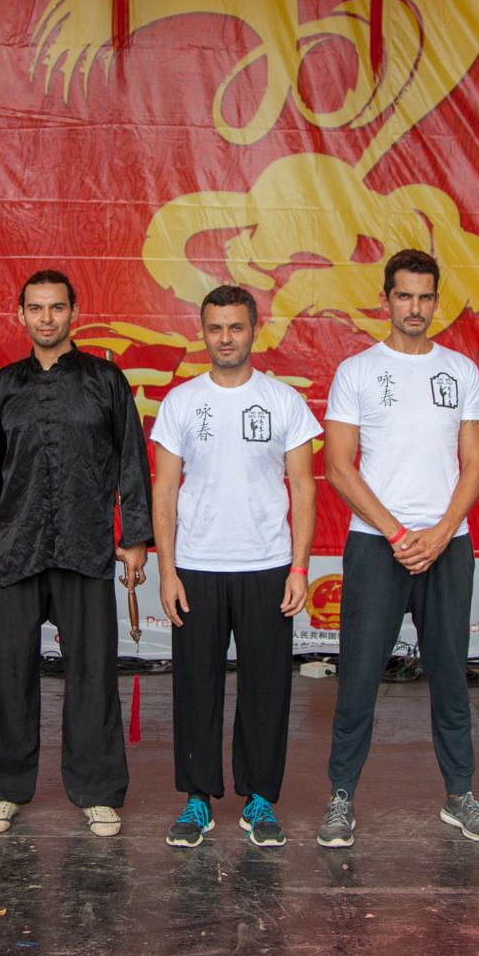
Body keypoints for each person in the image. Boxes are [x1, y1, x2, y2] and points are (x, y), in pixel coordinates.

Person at [0, 270, 152, 837]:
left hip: (85, 544)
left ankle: (98, 791)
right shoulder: (6, 385)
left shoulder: (105, 381)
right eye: (36, 308)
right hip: (16, 544)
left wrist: (135, 538)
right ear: (20, 314)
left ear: (74, 312)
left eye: (57, 307)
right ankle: (2, 789)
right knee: (8, 673)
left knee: (92, 672)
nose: (47, 318)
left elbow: (132, 461)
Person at [317, 249, 479, 848]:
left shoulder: (461, 370)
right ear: (385, 300)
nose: (414, 308)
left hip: (448, 546)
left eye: (424, 297)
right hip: (377, 546)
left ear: (436, 301)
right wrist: (397, 534)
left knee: (450, 675)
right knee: (359, 676)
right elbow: (339, 467)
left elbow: (476, 464)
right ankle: (341, 796)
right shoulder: (357, 371)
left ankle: (460, 794)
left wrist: (441, 532)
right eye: (404, 296)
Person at [151, 285, 320, 848]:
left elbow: (303, 487)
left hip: (267, 564)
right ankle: (197, 799)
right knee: (195, 686)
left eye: (236, 327)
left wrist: (299, 568)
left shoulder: (283, 401)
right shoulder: (180, 403)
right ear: (202, 332)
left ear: (254, 330)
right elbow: (164, 489)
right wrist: (168, 571)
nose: (225, 338)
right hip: (196, 566)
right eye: (215, 328)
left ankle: (260, 799)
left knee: (266, 688)